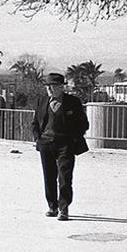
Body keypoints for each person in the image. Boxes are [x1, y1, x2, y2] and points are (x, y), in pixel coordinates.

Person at [31, 73, 89, 221]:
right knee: (49, 177)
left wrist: (74, 138)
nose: (49, 89)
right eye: (47, 86)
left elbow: (83, 124)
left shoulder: (73, 102)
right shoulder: (42, 101)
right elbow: (35, 123)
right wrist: (38, 138)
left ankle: (64, 208)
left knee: (65, 177)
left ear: (61, 87)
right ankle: (52, 206)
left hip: (66, 144)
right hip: (46, 144)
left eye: (53, 86)